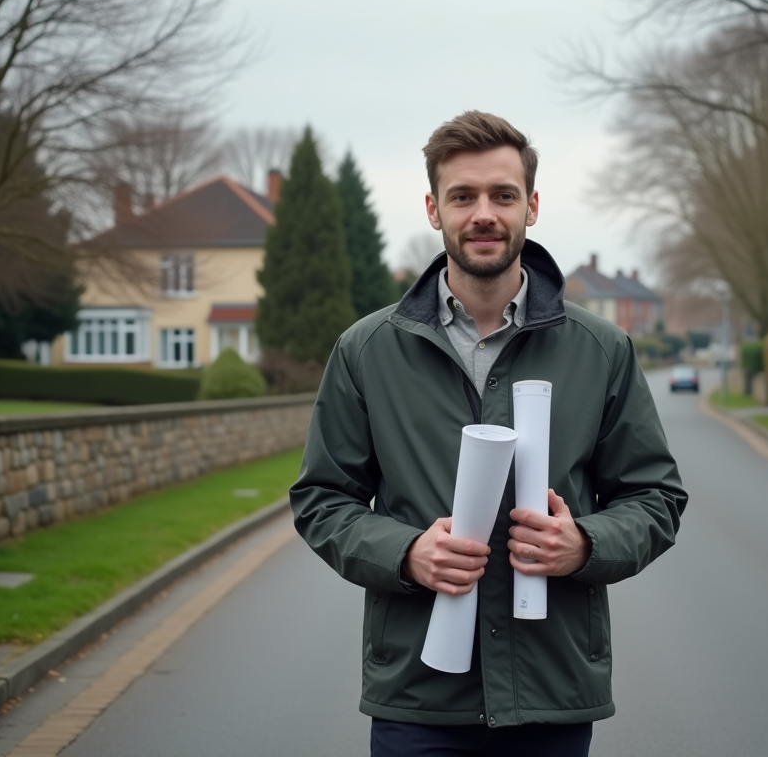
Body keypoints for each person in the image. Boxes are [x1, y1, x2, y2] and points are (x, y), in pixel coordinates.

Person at [290, 110, 687, 757]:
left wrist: (583, 542)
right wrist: (406, 553)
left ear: (531, 206)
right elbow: (321, 500)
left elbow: (656, 499)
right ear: (432, 208)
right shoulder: (366, 350)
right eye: (463, 196)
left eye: (503, 195)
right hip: (418, 697)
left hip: (551, 694)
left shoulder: (603, 349)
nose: (483, 213)